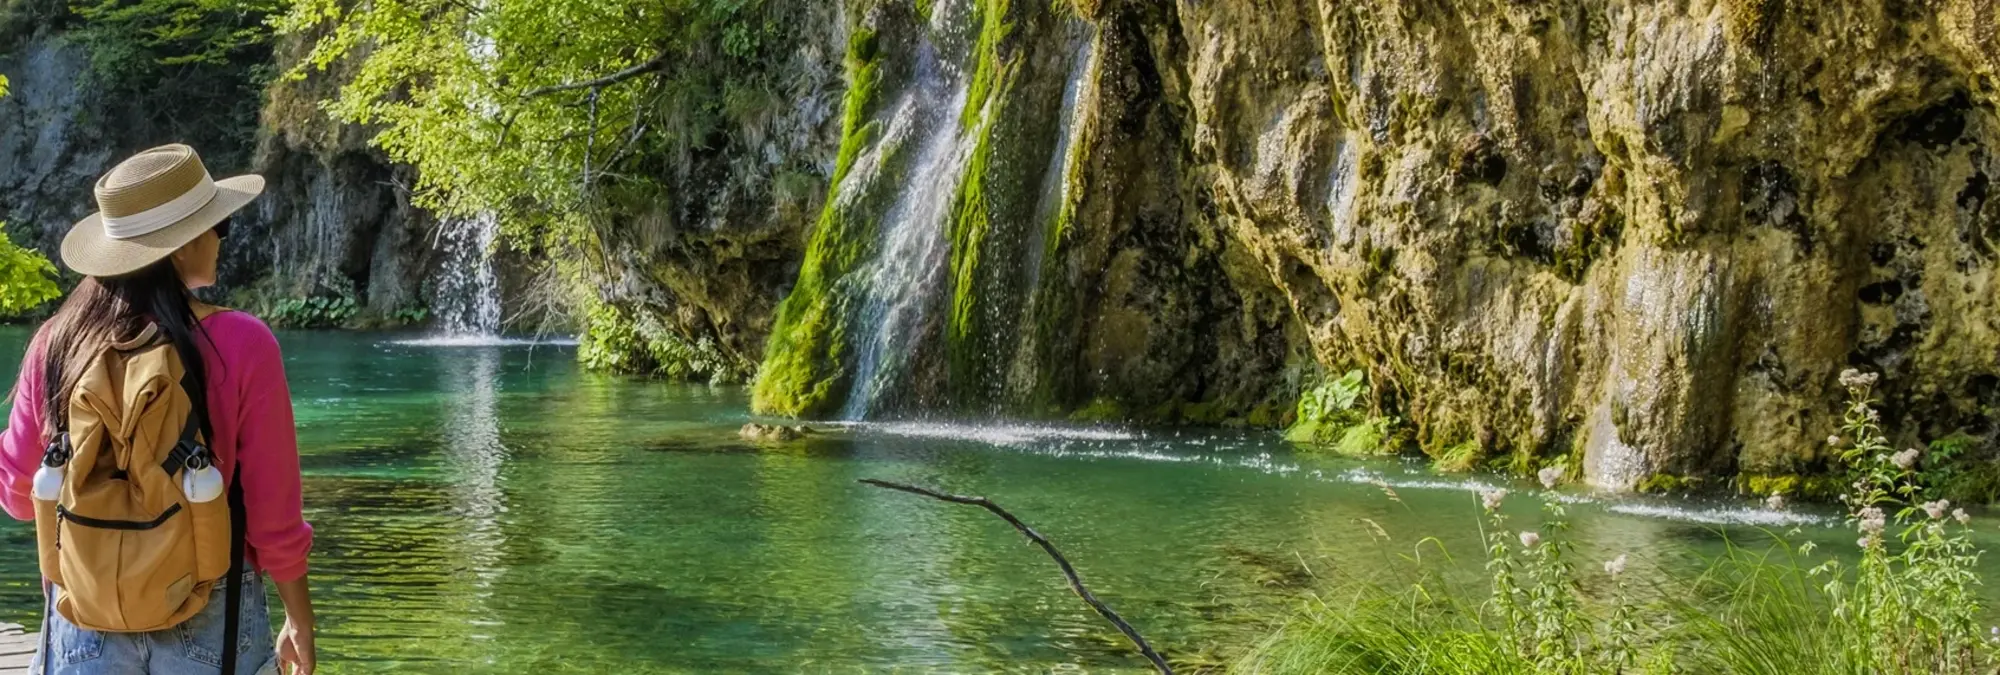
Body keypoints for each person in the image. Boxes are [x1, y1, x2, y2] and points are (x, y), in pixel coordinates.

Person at [0, 144, 316, 674]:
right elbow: (272, 518)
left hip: (82, 613)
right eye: (217, 227)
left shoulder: (57, 343)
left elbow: (15, 493)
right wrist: (299, 619)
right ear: (181, 244)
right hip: (211, 606)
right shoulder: (241, 343)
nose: (221, 237)